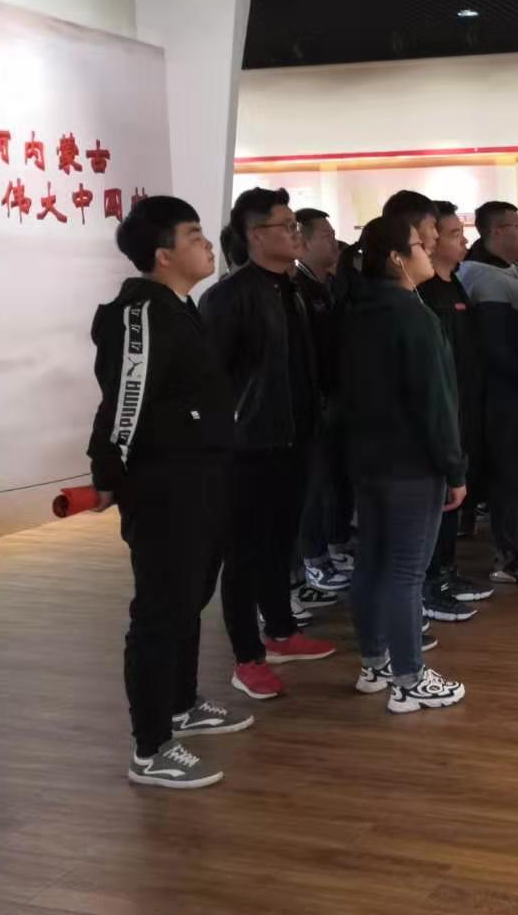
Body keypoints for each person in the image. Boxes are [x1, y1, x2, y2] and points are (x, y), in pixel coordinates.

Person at [88, 196, 251, 789]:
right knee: (160, 609)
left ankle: (182, 704)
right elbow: (124, 401)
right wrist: (108, 472)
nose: (207, 245)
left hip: (201, 476)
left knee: (188, 598)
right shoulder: (139, 312)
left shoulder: (179, 308)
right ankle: (151, 745)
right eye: (194, 235)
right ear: (163, 255)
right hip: (164, 485)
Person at [199, 188, 335, 702]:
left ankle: (280, 631)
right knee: (243, 552)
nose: (296, 234)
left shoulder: (292, 288)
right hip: (247, 445)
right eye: (287, 225)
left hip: (293, 436)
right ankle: (247, 656)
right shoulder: (229, 298)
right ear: (256, 235)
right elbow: (211, 381)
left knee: (282, 540)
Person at [337, 213, 467, 714]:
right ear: (396, 257)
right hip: (411, 463)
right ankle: (409, 679)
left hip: (367, 459)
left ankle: (376, 663)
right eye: (418, 243)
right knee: (406, 571)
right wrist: (454, 468)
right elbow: (435, 403)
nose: (428, 248)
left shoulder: (358, 311)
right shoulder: (413, 316)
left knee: (373, 562)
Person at [458, 201, 518, 584]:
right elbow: (498, 350)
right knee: (512, 475)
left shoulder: (510, 271)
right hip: (506, 397)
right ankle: (509, 553)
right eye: (516, 226)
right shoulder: (484, 278)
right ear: (496, 231)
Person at [417, 200, 493, 615]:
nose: (462, 241)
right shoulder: (423, 293)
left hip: (465, 409)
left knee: (455, 495)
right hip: (442, 411)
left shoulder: (455, 284)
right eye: (452, 234)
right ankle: (429, 582)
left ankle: (446, 569)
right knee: (438, 498)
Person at [292, 208, 353, 604]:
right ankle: (312, 559)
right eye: (326, 236)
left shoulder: (330, 285)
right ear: (304, 242)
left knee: (335, 480)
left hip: (337, 398)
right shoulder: (297, 289)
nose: (334, 242)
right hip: (314, 403)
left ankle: (332, 547)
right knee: (314, 486)